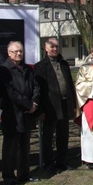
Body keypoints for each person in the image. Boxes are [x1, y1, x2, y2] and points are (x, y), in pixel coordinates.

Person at [0, 41, 40, 185]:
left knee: (24, 147)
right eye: (15, 52)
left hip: (28, 114)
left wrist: (34, 103)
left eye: (20, 51)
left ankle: (24, 174)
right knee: (10, 148)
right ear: (9, 53)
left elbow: (36, 87)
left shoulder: (28, 68)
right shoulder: (3, 69)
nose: (18, 54)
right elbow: (10, 92)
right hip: (12, 115)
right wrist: (28, 104)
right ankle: (9, 178)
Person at [34, 37, 77, 173]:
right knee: (48, 136)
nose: (55, 49)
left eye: (57, 47)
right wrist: (40, 110)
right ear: (46, 49)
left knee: (63, 135)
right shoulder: (40, 66)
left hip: (64, 104)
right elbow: (38, 90)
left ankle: (61, 161)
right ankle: (48, 163)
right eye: (52, 47)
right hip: (50, 107)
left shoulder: (64, 63)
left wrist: (74, 104)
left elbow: (70, 84)